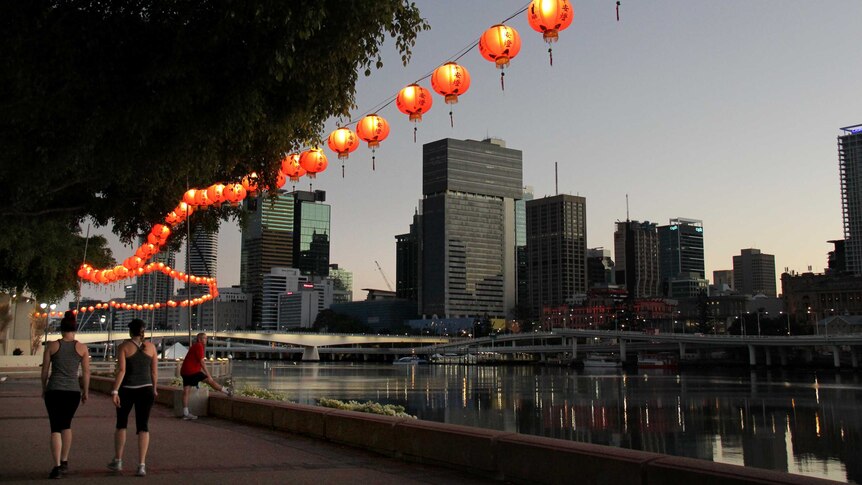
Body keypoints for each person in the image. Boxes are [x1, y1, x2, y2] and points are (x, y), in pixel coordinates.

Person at [41, 311, 90, 479]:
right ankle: (64, 460)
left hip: (54, 390)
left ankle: (56, 467)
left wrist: (43, 387)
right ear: (75, 329)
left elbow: (45, 370)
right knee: (66, 425)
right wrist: (86, 391)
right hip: (72, 392)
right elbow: (86, 372)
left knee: (55, 427)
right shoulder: (82, 348)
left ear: (61, 329)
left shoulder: (52, 346)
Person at [107, 319, 157, 477]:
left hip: (127, 390)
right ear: (143, 331)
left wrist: (115, 391)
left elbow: (121, 371)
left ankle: (118, 460)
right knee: (143, 426)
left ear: (130, 331)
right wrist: (154, 389)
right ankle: (141, 465)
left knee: (121, 424)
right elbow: (154, 372)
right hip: (146, 390)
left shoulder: (123, 347)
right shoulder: (151, 347)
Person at [180, 332, 231, 419]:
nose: (206, 340)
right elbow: (202, 362)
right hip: (192, 371)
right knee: (210, 381)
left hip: (185, 371)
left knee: (186, 392)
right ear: (199, 339)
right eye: (204, 338)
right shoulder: (199, 346)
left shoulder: (195, 346)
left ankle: (186, 413)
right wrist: (208, 374)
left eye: (206, 338)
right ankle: (227, 391)